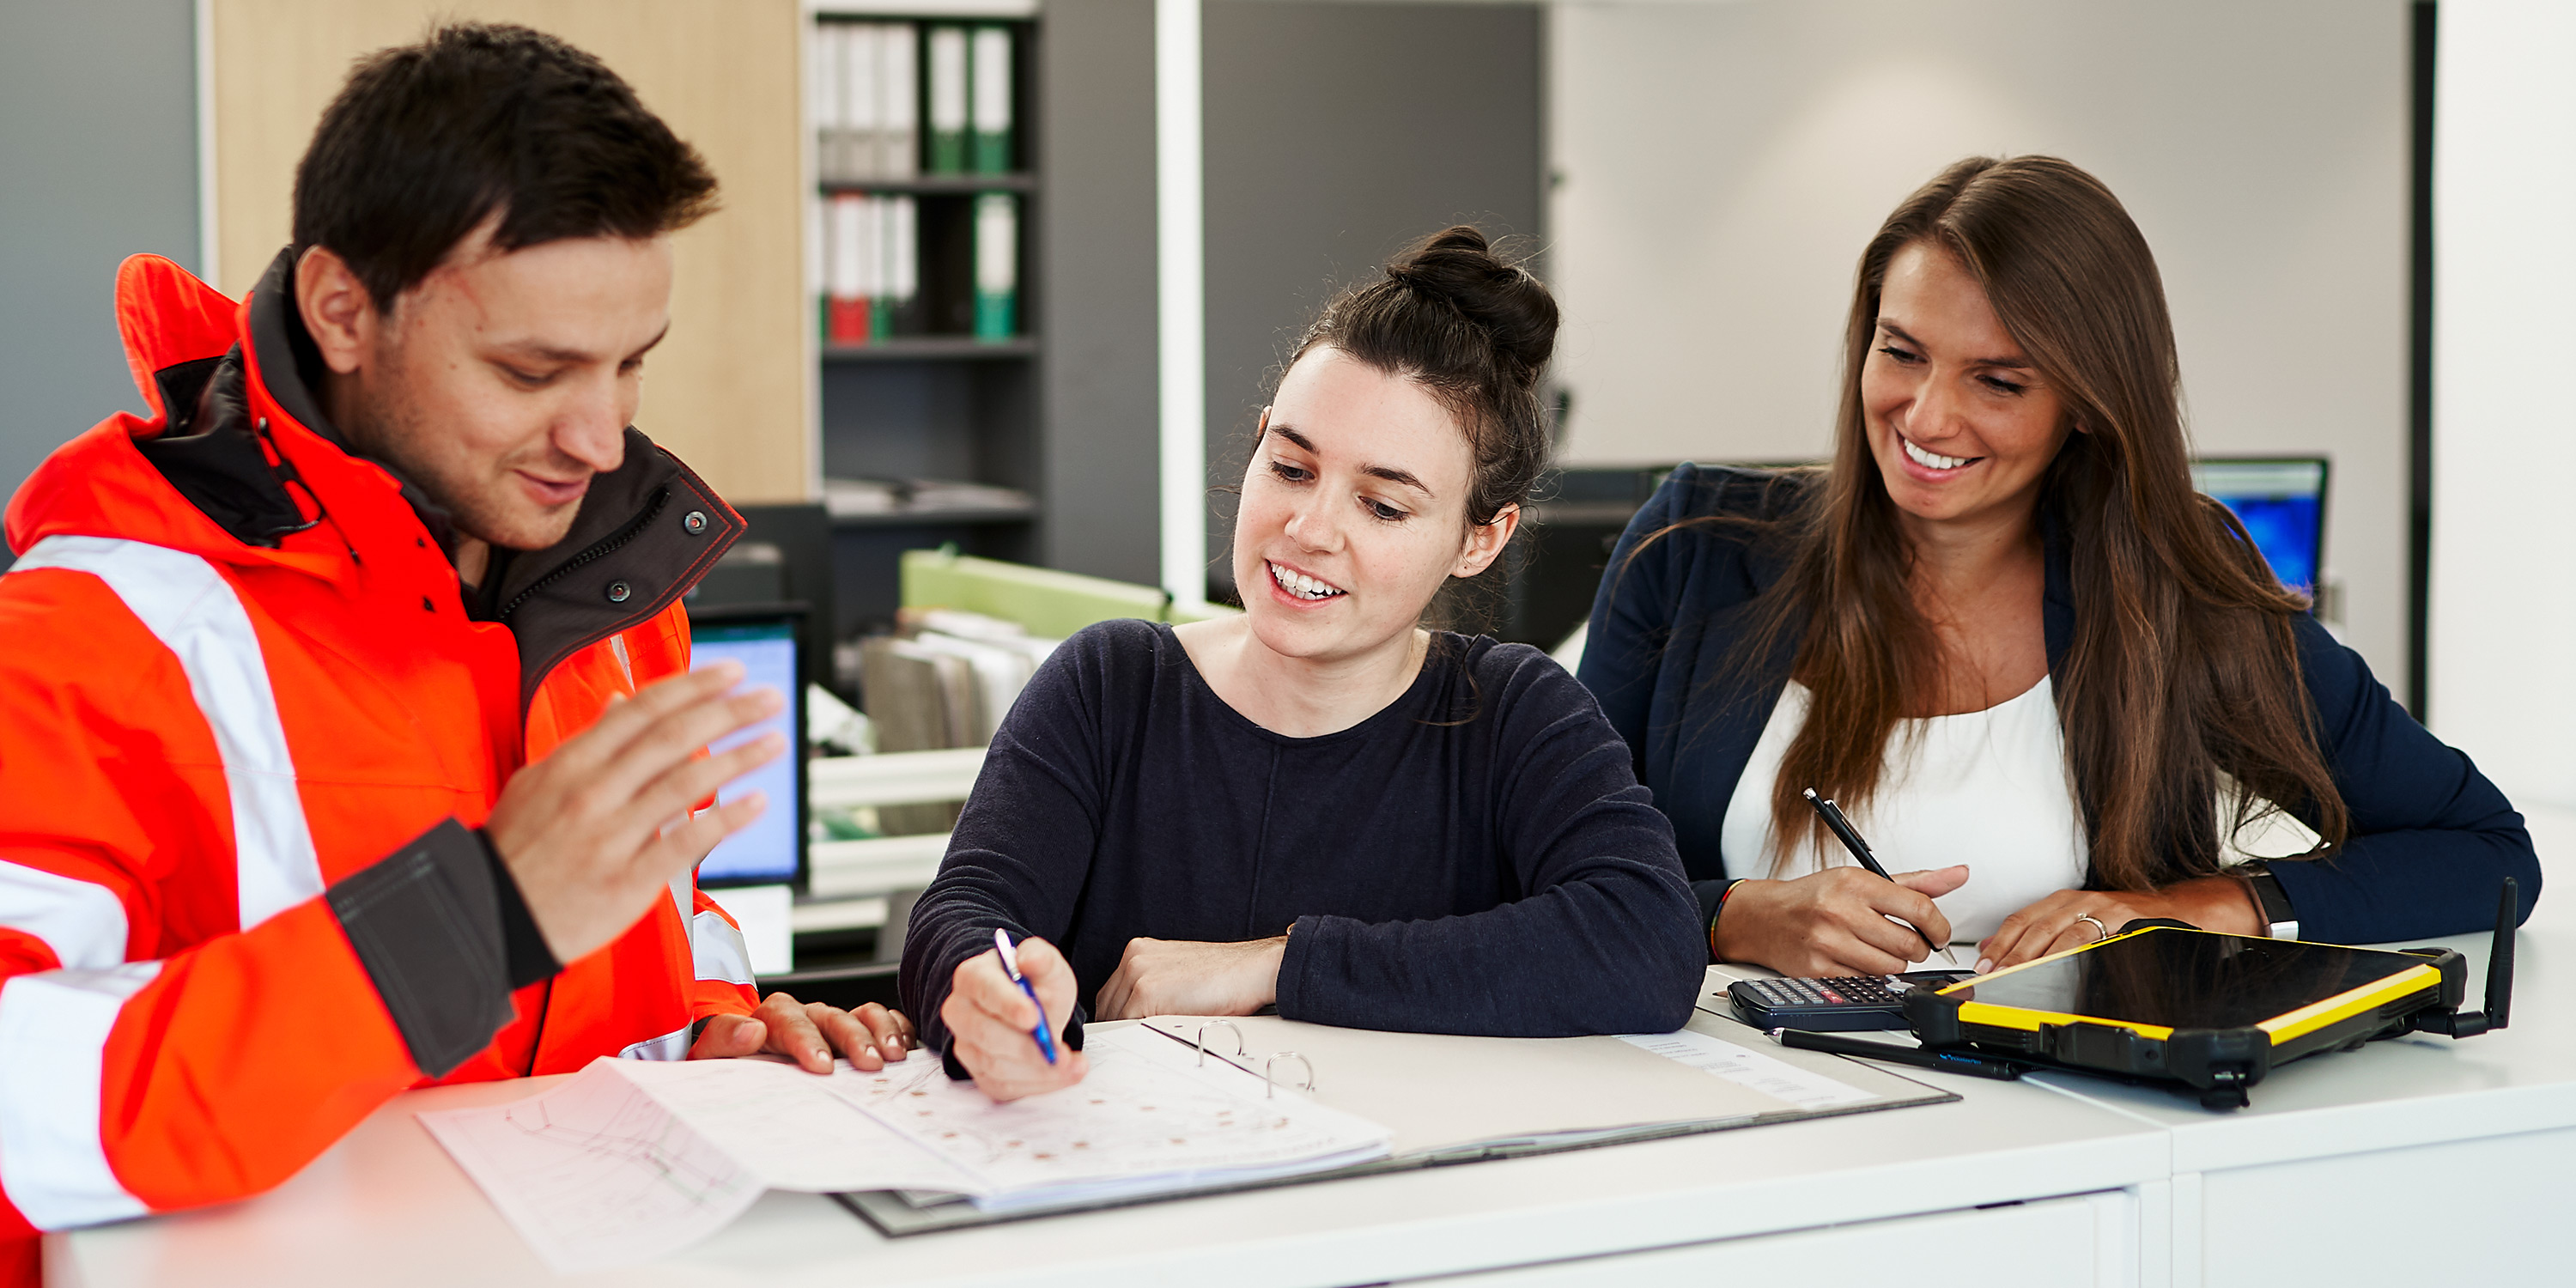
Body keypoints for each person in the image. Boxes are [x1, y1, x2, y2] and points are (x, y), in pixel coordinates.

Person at [0, 25, 909, 1279]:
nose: (601, 438)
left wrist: (709, 1030)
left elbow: (668, 917)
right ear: (343, 311)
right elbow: (16, 1112)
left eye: (631, 364)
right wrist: (473, 921)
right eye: (532, 370)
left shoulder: (623, 592)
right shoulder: (89, 635)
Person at [1578, 155, 2539, 981]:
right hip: (1748, 1116)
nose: (1927, 418)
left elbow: (2487, 856)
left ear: (2085, 403)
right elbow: (1549, 869)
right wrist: (1733, 914)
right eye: (1900, 352)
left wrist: (2195, 907)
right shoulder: (1697, 547)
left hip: (2081, 1129)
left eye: (1998, 381)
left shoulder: (2175, 584)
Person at [901, 228, 1704, 1101]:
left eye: (1383, 505)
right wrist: (985, 991)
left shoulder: (1515, 713)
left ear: (1482, 538)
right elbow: (963, 915)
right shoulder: (1112, 684)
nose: (1311, 529)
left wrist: (1279, 967)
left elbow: (1648, 940)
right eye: (1290, 466)